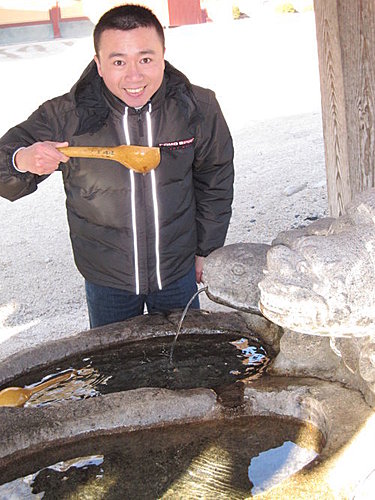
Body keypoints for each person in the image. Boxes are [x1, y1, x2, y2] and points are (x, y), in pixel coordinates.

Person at [0, 4, 234, 328]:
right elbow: (3, 164)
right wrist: (22, 159)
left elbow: (215, 178)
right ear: (98, 64)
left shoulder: (198, 107)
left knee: (184, 363)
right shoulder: (67, 116)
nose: (134, 76)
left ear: (163, 56)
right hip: (107, 279)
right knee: (116, 370)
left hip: (177, 270)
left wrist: (206, 249)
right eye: (119, 61)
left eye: (146, 59)